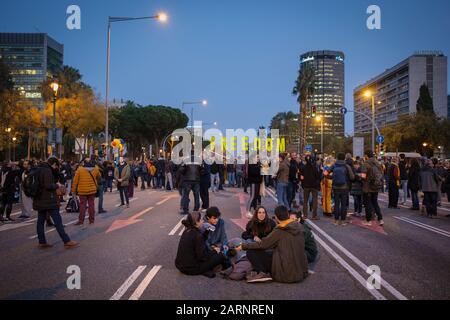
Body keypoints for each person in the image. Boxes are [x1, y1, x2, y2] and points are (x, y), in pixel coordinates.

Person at [238, 205, 309, 283]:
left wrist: (243, 246)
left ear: (276, 217)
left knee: (251, 252)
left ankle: (263, 273)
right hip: (301, 271)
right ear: (288, 215)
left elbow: (263, 245)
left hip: (285, 275)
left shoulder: (280, 230)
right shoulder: (298, 226)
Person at [33, 157, 79, 249]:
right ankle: (66, 241)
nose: (56, 168)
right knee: (58, 221)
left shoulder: (38, 169)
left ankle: (41, 241)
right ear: (53, 164)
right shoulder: (47, 171)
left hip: (39, 199)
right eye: (56, 166)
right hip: (48, 200)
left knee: (40, 221)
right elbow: (48, 185)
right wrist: (57, 185)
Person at [175, 211, 231, 278]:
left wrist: (207, 231)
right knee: (220, 256)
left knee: (209, 251)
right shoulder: (197, 235)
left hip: (180, 266)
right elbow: (202, 257)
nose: (203, 221)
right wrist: (215, 251)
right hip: (191, 268)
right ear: (196, 223)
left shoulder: (187, 231)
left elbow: (199, 242)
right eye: (201, 220)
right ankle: (228, 269)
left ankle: (207, 270)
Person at [72, 158, 100, 226]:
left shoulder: (80, 169)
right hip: (92, 190)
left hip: (82, 191)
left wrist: (73, 190)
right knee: (91, 205)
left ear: (84, 162)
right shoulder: (95, 169)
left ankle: (81, 221)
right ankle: (91, 220)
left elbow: (75, 181)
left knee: (82, 206)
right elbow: (99, 176)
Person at [329, 153, 354, 225]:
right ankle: (343, 221)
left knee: (336, 204)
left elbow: (326, 173)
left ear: (337, 158)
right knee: (343, 205)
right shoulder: (347, 166)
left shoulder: (334, 165)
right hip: (344, 188)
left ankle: (336, 220)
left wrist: (331, 177)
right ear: (344, 158)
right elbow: (352, 177)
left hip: (335, 187)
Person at [361, 151, 384, 226]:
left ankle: (368, 220)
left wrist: (359, 176)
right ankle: (380, 219)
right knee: (375, 202)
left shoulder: (366, 164)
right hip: (376, 186)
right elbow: (381, 174)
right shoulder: (378, 163)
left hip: (367, 187)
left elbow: (363, 176)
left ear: (366, 156)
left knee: (367, 204)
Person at [299, 155, 322, 220]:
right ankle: (314, 215)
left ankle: (305, 215)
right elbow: (318, 177)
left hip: (306, 185)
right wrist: (321, 171)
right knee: (315, 200)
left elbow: (301, 177)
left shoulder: (303, 167)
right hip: (314, 186)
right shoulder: (314, 167)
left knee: (305, 201)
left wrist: (302, 184)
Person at [246, 154, 262, 218]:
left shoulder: (257, 164)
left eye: (258, 157)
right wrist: (260, 168)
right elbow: (253, 172)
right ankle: (248, 211)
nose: (258, 158)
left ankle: (255, 210)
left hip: (257, 182)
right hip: (253, 182)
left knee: (256, 196)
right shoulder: (252, 164)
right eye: (257, 157)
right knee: (252, 196)